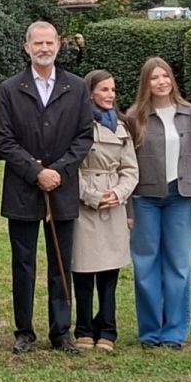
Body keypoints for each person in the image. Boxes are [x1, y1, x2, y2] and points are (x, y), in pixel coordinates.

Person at [0, 21, 94, 354]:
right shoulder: (10, 89)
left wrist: (58, 172)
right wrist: (36, 171)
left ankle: (60, 331)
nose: (44, 48)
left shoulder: (77, 88)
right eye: (38, 43)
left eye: (49, 42)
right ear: (26, 48)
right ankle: (24, 331)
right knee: (23, 263)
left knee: (60, 262)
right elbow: (4, 140)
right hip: (23, 189)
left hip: (62, 189)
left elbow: (84, 138)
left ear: (58, 46)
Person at [124, 57, 191, 349]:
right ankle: (150, 331)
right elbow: (125, 165)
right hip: (144, 199)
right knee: (146, 264)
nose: (161, 82)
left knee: (178, 265)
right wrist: (127, 208)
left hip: (180, 197)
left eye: (165, 76)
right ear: (145, 83)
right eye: (154, 77)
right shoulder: (135, 116)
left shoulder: (190, 114)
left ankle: (174, 331)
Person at [72, 69, 138, 352]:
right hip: (86, 205)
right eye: (104, 90)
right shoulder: (78, 124)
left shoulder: (122, 127)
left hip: (114, 205)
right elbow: (70, 165)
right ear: (91, 93)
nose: (110, 95)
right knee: (84, 271)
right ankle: (84, 327)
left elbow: (130, 168)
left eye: (113, 90)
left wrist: (119, 194)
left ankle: (108, 329)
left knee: (110, 273)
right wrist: (91, 196)